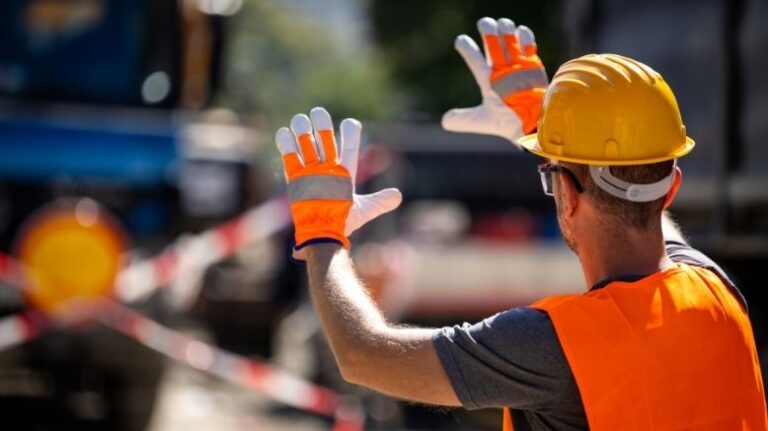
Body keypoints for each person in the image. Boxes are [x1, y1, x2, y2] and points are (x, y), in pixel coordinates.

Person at [273, 17, 767, 431]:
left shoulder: (554, 347)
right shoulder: (715, 292)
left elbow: (362, 355)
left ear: (567, 196)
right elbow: (661, 231)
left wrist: (322, 237)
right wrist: (542, 131)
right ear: (672, 187)